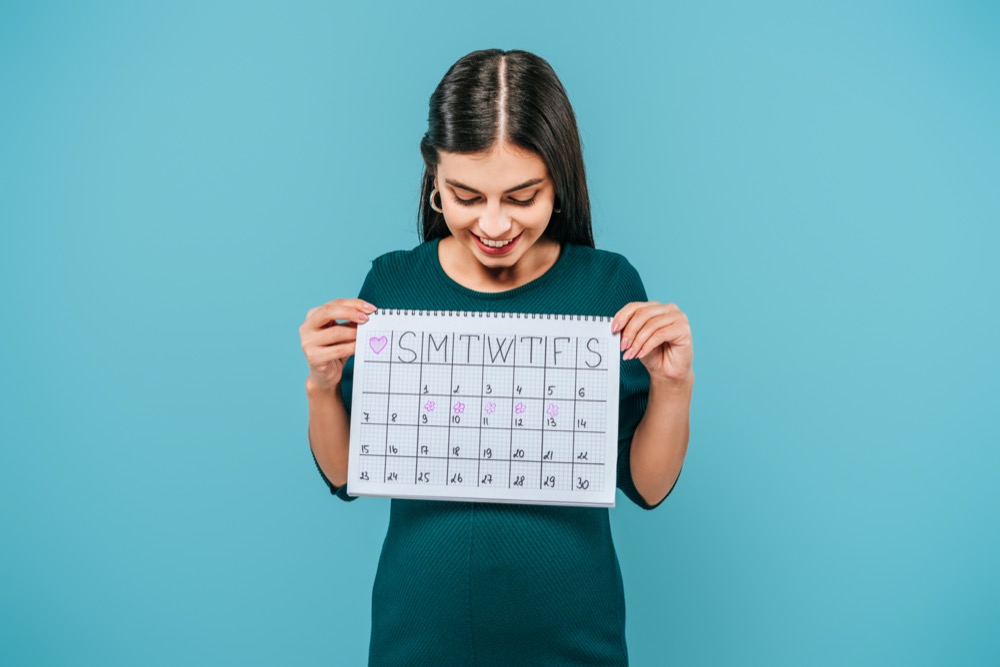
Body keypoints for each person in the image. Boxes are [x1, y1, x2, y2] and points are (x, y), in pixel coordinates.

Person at [299, 48, 693, 667]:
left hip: (573, 633)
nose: (493, 224)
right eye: (464, 195)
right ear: (434, 178)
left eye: (521, 196)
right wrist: (323, 387)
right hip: (419, 632)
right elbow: (346, 475)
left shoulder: (607, 288)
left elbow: (646, 487)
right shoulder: (393, 286)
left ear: (558, 180)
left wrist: (674, 386)